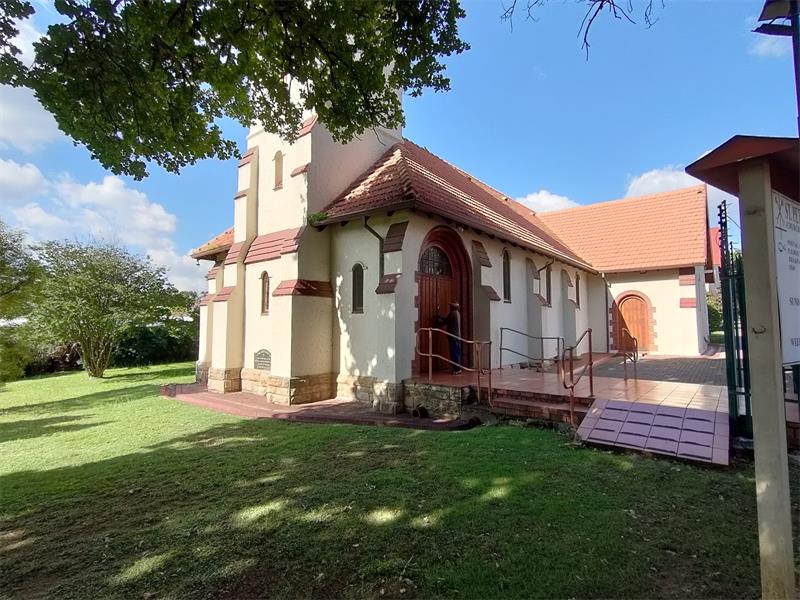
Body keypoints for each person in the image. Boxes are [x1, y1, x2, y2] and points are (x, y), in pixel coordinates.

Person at [436, 302, 462, 374]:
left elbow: (445, 321)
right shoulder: (457, 313)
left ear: (452, 307)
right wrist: (441, 317)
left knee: (454, 353)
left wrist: (438, 319)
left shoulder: (452, 313)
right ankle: (457, 368)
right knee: (457, 352)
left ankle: (456, 369)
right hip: (458, 336)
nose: (450, 307)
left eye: (450, 306)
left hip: (453, 336)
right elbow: (447, 319)